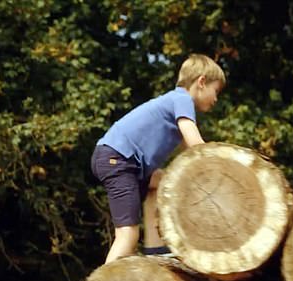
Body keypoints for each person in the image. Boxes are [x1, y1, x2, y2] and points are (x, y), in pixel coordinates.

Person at [91, 53, 225, 263]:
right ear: (201, 82)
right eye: (215, 91)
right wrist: (216, 165)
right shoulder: (182, 98)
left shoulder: (175, 103)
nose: (216, 98)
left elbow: (188, 154)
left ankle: (155, 249)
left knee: (161, 180)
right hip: (118, 157)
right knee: (128, 234)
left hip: (123, 160)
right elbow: (195, 144)